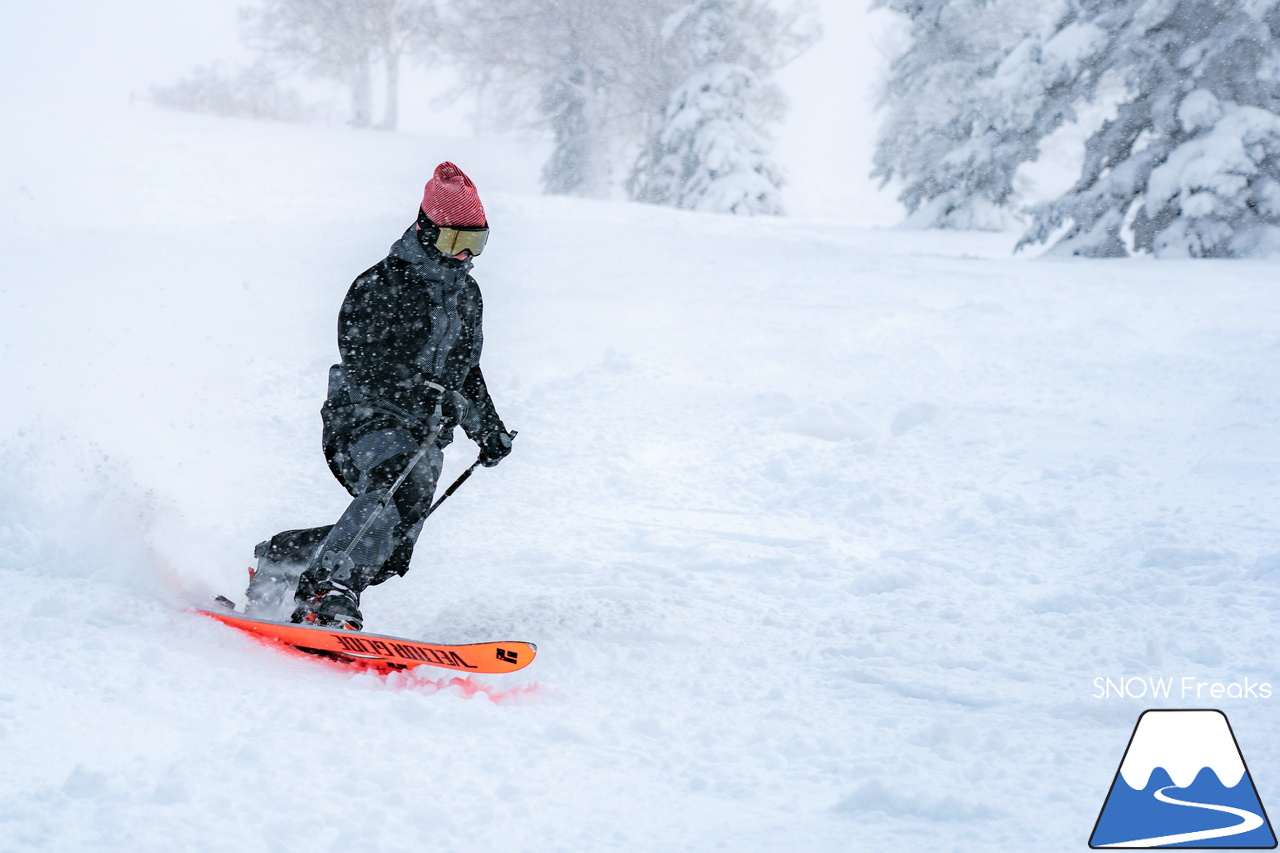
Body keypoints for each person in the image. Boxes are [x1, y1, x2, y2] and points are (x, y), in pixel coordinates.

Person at [243, 162, 514, 631]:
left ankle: (286, 556)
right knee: (385, 487)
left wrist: (487, 429)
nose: (462, 256)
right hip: (365, 416)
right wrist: (426, 392)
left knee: (393, 544)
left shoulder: (467, 294)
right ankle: (326, 591)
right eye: (453, 242)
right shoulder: (381, 285)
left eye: (474, 244)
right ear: (425, 231)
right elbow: (365, 362)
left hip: (427, 431)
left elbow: (466, 370)